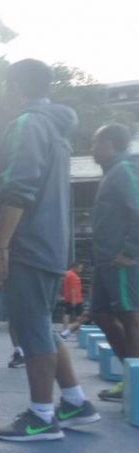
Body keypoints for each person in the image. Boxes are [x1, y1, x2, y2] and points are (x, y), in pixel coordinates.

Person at [0, 59, 99, 441]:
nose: (3, 94)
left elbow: (19, 188)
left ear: (16, 86)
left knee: (29, 325)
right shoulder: (56, 129)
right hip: (50, 242)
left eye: (6, 87)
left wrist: (0, 244)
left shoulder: (28, 124)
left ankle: (41, 416)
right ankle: (74, 401)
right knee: (42, 326)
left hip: (29, 242)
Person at [90, 123, 139, 403]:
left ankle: (134, 384)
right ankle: (131, 375)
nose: (92, 149)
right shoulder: (111, 174)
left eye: (95, 143)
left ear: (109, 143)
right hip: (104, 261)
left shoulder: (125, 170)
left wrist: (131, 251)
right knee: (101, 315)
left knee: (130, 317)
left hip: (122, 260)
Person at [59, 262, 84, 339]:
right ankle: (77, 332)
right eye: (80, 268)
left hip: (68, 298)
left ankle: (65, 330)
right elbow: (73, 289)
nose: (81, 270)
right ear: (75, 267)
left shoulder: (67, 274)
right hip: (76, 299)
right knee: (80, 316)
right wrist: (74, 300)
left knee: (67, 313)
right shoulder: (73, 276)